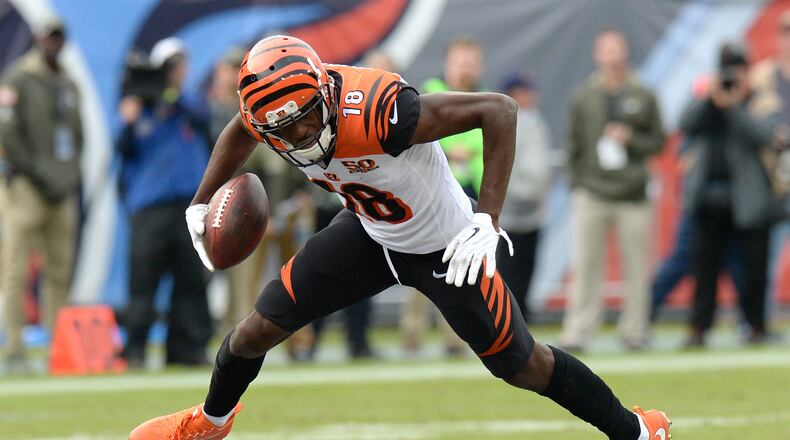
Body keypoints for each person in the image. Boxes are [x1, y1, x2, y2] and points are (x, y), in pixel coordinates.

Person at [129, 35, 670, 440]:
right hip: (370, 234)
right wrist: (202, 199)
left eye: (304, 121)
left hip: (447, 244)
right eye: (282, 131)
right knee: (254, 332)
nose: (298, 137)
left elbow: (498, 111)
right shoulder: (272, 112)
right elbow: (242, 129)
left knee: (523, 365)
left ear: (321, 92)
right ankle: (210, 423)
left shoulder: (382, 112)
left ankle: (638, 431)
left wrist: (488, 218)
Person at [561, 28, 665, 351]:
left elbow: (659, 141)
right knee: (586, 266)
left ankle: (635, 329)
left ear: (625, 53)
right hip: (592, 192)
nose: (612, 57)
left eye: (616, 50)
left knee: (637, 266)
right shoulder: (584, 96)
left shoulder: (643, 94)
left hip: (632, 194)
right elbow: (574, 144)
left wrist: (630, 139)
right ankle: (579, 330)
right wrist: (578, 184)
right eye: (606, 50)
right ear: (597, 55)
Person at [117, 37, 212, 367]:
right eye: (169, 66)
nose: (176, 71)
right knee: (143, 281)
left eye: (179, 64)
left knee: (190, 280)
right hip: (151, 207)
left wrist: (168, 93)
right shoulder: (139, 110)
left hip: (187, 206)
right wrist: (131, 116)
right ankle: (135, 350)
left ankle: (187, 350)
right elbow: (124, 150)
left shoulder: (189, 103)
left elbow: (204, 118)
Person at [0, 18, 82, 372]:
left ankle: (56, 348)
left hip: (60, 190)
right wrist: (37, 173)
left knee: (59, 271)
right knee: (16, 269)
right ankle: (14, 348)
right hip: (27, 188)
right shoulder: (18, 76)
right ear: (38, 39)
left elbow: (78, 137)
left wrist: (67, 176)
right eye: (49, 37)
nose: (54, 43)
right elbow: (7, 131)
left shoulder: (67, 82)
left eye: (59, 38)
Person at [680, 42, 774, 347]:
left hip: (747, 199)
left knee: (753, 269)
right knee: (704, 268)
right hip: (709, 197)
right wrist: (711, 98)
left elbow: (763, 136)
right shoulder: (709, 100)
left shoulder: (759, 101)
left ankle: (756, 327)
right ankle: (699, 328)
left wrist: (733, 106)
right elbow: (685, 124)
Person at [402, 35, 487, 356]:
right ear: (449, 63)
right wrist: (456, 152)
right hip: (431, 192)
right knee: (422, 262)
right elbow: (423, 139)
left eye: (471, 61)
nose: (466, 67)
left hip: (467, 192)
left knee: (461, 267)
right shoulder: (430, 93)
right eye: (461, 60)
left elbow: (483, 148)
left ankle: (456, 337)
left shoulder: (481, 97)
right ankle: (413, 333)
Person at [496, 70, 551, 321]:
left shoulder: (536, 121)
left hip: (533, 209)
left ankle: (522, 315)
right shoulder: (505, 120)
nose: (530, 97)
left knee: (527, 266)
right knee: (508, 267)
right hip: (511, 208)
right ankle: (509, 317)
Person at [749, 10, 790, 317]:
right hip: (774, 180)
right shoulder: (762, 76)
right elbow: (745, 123)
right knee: (766, 257)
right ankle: (760, 321)